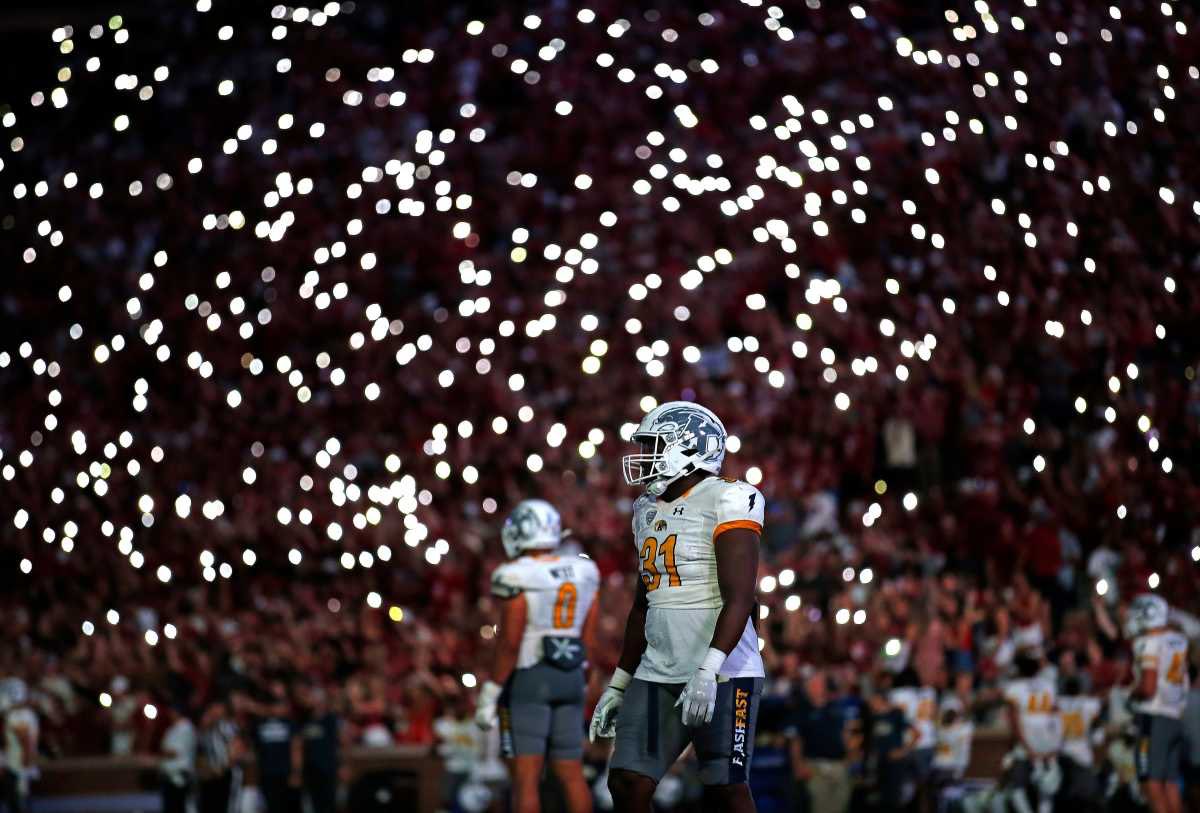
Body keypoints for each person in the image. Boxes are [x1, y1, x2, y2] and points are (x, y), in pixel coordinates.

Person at [590, 401, 766, 813]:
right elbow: (643, 603)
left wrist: (709, 669)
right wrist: (619, 682)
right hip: (658, 670)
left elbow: (740, 597)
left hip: (723, 674)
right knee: (628, 782)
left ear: (688, 448)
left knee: (725, 788)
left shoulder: (729, 497)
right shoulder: (646, 509)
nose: (643, 456)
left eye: (653, 445)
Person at [474, 498, 601, 813]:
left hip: (532, 675)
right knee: (571, 773)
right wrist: (582, 675)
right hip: (571, 674)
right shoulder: (583, 570)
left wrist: (491, 691)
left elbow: (510, 642)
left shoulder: (516, 574)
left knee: (526, 778)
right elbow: (589, 636)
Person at [1127, 593, 1189, 813]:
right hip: (1174, 717)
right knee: (1170, 784)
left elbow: (1148, 687)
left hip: (1153, 718)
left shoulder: (1148, 642)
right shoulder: (1178, 639)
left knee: (1151, 783)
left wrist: (1131, 694)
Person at [999, 649, 1061, 813]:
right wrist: (1055, 745)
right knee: (1046, 789)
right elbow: (1057, 719)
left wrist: (1026, 747)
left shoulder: (1014, 687)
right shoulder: (1049, 685)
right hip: (1047, 743)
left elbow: (1014, 722)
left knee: (1017, 786)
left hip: (1026, 743)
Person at [785, 669, 853, 813]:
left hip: (838, 765)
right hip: (815, 767)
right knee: (820, 807)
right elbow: (795, 742)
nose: (817, 687)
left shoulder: (836, 708)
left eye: (820, 684)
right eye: (814, 684)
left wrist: (849, 757)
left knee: (841, 806)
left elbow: (845, 734)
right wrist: (798, 765)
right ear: (808, 688)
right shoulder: (801, 711)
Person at [1055, 676, 1102, 807]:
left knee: (1063, 796)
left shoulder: (1058, 703)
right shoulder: (1090, 703)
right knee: (1086, 796)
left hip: (1061, 751)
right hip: (1082, 755)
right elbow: (1097, 732)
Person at [298, 683, 341, 813]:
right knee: (313, 804)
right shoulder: (304, 720)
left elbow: (339, 743)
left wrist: (342, 765)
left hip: (328, 768)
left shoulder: (330, 719)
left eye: (313, 697)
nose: (309, 700)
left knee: (329, 804)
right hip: (310, 769)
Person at [197, 700, 242, 813]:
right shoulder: (207, 730)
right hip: (210, 774)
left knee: (226, 806)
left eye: (218, 708)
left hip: (225, 773)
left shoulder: (227, 726)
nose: (214, 711)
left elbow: (236, 748)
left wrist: (224, 768)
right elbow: (201, 752)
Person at [1, 679, 37, 813]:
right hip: (19, 765)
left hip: (17, 767)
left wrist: (25, 768)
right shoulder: (26, 714)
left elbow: (26, 742)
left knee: (18, 804)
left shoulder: (15, 716)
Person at [159, 703, 197, 813]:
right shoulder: (172, 728)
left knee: (179, 807)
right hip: (169, 777)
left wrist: (159, 754)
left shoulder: (185, 727)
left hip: (179, 778)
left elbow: (175, 752)